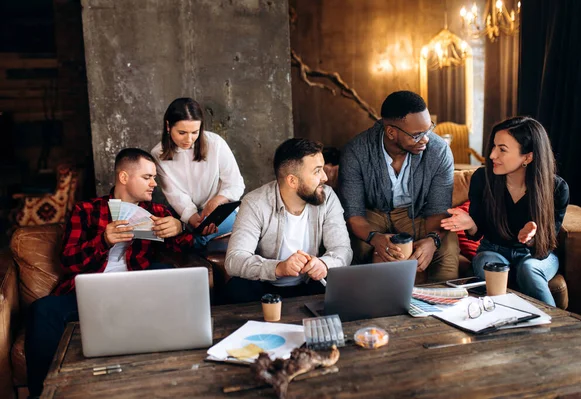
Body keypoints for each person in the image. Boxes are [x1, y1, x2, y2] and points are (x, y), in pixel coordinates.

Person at [25, 148, 194, 397]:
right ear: (124, 177)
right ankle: (42, 394)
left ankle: (183, 378)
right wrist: (103, 240)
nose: (154, 184)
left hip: (137, 291)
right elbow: (68, 262)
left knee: (171, 276)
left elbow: (188, 247)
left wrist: (180, 227)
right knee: (42, 310)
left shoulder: (158, 212)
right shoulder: (86, 210)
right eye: (147, 177)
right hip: (92, 291)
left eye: (154, 177)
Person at [441, 116, 569, 306]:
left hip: (535, 256)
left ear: (528, 156)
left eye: (502, 149)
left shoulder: (556, 188)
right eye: (493, 146)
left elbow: (547, 245)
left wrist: (531, 238)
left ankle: (554, 327)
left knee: (529, 269)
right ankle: (500, 322)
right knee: (491, 265)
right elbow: (479, 232)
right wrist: (471, 223)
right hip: (492, 250)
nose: (492, 155)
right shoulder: (482, 179)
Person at [338, 90, 459, 282]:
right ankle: (370, 305)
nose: (426, 139)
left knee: (448, 245)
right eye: (418, 135)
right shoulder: (356, 151)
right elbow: (354, 215)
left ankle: (441, 302)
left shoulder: (439, 150)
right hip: (373, 212)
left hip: (416, 213)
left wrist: (432, 241)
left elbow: (438, 209)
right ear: (391, 132)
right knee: (357, 245)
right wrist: (373, 238)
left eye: (429, 130)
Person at [224, 138, 352, 303]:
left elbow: (343, 249)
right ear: (292, 181)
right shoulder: (255, 203)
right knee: (237, 288)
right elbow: (235, 259)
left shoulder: (327, 197)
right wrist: (278, 267)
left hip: (310, 284)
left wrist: (324, 264)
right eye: (317, 171)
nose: (325, 177)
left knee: (342, 287)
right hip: (264, 287)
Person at [151, 97, 245, 248]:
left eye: (195, 132)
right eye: (182, 132)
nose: (189, 139)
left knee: (204, 234)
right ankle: (191, 242)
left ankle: (191, 243)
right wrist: (193, 217)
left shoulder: (215, 143)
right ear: (168, 126)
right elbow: (175, 195)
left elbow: (236, 184)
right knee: (166, 227)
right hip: (182, 213)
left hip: (219, 212)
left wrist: (217, 201)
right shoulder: (158, 153)